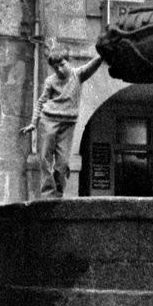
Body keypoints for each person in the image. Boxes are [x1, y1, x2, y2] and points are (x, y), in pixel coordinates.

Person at [22, 49, 102, 199]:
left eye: (62, 64)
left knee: (63, 162)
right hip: (49, 120)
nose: (59, 69)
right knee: (46, 157)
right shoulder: (51, 81)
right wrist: (34, 123)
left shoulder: (78, 74)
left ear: (68, 61)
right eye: (55, 67)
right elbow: (41, 102)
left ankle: (58, 193)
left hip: (68, 123)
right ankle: (48, 195)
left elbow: (93, 64)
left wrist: (105, 51)